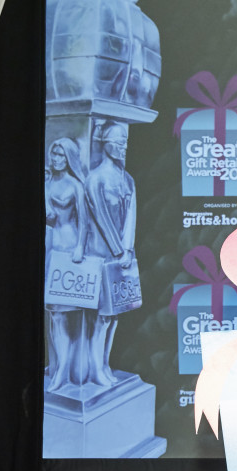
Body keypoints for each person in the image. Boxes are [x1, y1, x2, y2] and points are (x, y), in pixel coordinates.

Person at [83, 122, 138, 387]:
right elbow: (101, 217)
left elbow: (130, 218)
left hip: (121, 257)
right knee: (99, 316)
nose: (123, 147)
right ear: (105, 142)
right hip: (101, 255)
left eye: (125, 142)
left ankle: (104, 364)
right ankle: (95, 368)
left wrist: (127, 249)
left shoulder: (127, 179)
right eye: (118, 142)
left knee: (114, 314)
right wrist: (118, 250)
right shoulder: (96, 179)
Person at [44, 137, 88, 392]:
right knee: (52, 314)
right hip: (48, 248)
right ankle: (56, 364)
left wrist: (80, 247)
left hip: (68, 248)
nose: (56, 158)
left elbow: (84, 221)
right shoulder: (47, 182)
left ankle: (63, 370)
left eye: (61, 155)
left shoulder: (75, 186)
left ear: (68, 158)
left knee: (62, 314)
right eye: (53, 154)